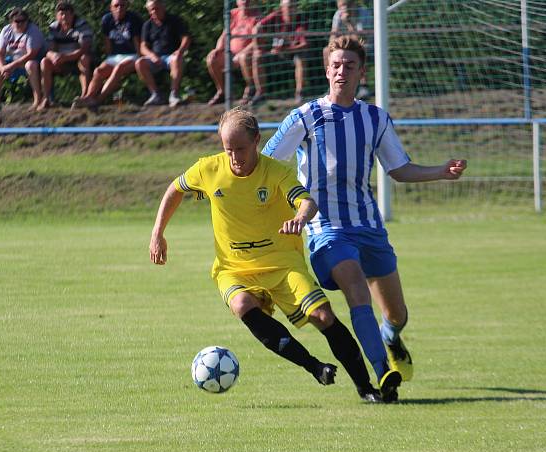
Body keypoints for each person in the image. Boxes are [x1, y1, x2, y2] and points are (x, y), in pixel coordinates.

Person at [262, 36, 467, 402]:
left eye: (349, 65)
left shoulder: (375, 118)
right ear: (326, 70)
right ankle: (381, 371)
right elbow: (267, 164)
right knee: (358, 293)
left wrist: (441, 171)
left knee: (398, 314)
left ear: (361, 72)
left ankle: (390, 337)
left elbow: (399, 169)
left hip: (370, 228)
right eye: (336, 65)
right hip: (327, 230)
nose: (342, 71)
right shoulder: (305, 117)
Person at [150, 108, 382, 403]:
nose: (235, 157)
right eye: (228, 149)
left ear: (257, 140)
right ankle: (314, 367)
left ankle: (366, 388)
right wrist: (158, 232)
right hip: (233, 269)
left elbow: (306, 202)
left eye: (241, 149)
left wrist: (300, 217)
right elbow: (175, 189)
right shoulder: (209, 169)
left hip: (283, 265)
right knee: (242, 304)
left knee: (322, 315)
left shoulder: (276, 172)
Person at [73, 0, 143, 110]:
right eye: (116, 5)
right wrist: (108, 58)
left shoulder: (133, 19)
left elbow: (137, 41)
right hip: (115, 56)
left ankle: (98, 100)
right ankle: (88, 97)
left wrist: (139, 58)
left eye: (122, 5)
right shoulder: (107, 20)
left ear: (127, 6)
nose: (119, 8)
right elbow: (107, 41)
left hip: (132, 55)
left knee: (118, 69)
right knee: (98, 71)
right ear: (111, 7)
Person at [0, 7, 45, 111]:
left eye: (23, 21)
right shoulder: (6, 30)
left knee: (30, 65)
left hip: (33, 61)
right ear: (11, 22)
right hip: (13, 61)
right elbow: (0, 53)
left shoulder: (33, 31)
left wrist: (11, 66)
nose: (20, 23)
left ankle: (37, 101)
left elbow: (31, 54)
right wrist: (3, 67)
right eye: (17, 21)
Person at [135, 0, 192, 107]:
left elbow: (186, 38)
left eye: (157, 8)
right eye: (152, 9)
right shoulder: (147, 25)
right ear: (149, 11)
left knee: (176, 59)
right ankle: (155, 95)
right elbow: (143, 47)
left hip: (172, 57)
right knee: (139, 63)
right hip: (155, 58)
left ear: (163, 7)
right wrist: (152, 56)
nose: (154, 11)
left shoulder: (175, 20)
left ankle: (174, 95)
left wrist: (180, 51)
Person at [251, 0, 308, 105]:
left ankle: (299, 93)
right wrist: (259, 48)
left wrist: (286, 49)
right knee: (256, 57)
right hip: (275, 52)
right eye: (288, 7)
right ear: (282, 7)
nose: (291, 10)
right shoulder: (276, 16)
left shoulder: (301, 20)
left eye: (293, 7)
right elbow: (256, 29)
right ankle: (260, 93)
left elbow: (304, 44)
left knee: (301, 58)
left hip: (293, 52)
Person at [38, 2, 93, 110]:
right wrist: (53, 56)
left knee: (84, 59)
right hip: (61, 61)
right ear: (56, 16)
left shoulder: (82, 25)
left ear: (72, 14)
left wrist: (65, 57)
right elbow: (49, 49)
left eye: (66, 14)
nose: (63, 17)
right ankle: (46, 98)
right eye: (61, 14)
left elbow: (84, 49)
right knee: (45, 62)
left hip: (78, 59)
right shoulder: (53, 27)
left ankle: (85, 96)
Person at [205, 0, 259, 106]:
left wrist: (243, 52)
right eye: (242, 0)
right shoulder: (234, 14)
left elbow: (257, 40)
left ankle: (249, 90)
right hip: (230, 53)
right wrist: (218, 49)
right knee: (212, 59)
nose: (245, 1)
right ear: (237, 2)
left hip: (248, 53)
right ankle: (222, 92)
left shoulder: (257, 16)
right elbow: (225, 34)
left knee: (244, 57)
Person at [323, 0, 373, 100]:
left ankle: (364, 86)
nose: (343, 8)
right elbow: (332, 38)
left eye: (345, 5)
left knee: (361, 50)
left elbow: (361, 41)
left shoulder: (364, 13)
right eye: (340, 6)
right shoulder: (338, 14)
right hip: (345, 47)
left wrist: (349, 23)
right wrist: (334, 47)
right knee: (326, 51)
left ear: (353, 4)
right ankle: (332, 85)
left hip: (366, 46)